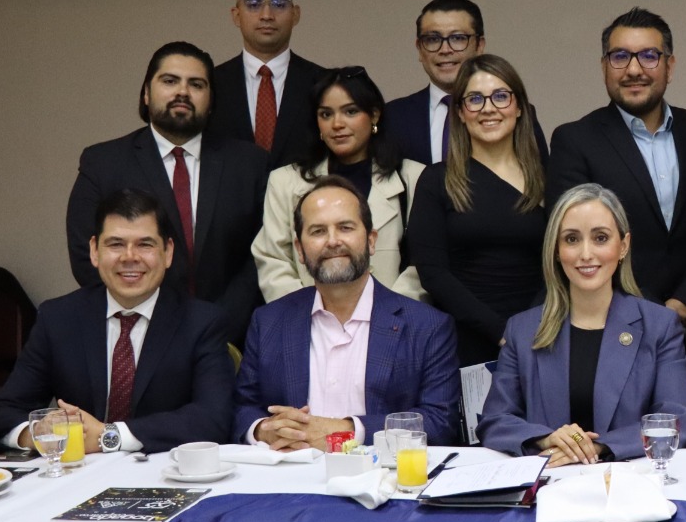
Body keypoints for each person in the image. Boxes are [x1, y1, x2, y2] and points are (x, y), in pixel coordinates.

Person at [547, 7, 686, 441]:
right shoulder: (575, 140)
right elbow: (576, 241)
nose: (634, 69)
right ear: (604, 66)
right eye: (620, 56)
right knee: (607, 457)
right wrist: (650, 313)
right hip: (612, 336)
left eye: (649, 56)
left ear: (670, 65)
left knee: (681, 458)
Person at [0, 189, 234, 453]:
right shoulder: (58, 319)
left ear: (168, 252)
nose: (129, 257)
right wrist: (38, 433)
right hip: (79, 471)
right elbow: (0, 413)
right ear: (94, 251)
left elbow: (213, 419)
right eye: (115, 244)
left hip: (163, 469)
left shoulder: (202, 323)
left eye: (145, 244)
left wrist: (108, 436)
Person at [66, 41, 268, 345]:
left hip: (231, 337)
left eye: (196, 84)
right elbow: (87, 254)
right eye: (170, 81)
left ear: (211, 100)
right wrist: (150, 319)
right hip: (138, 335)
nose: (183, 92)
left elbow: (263, 251)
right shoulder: (103, 163)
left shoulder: (250, 164)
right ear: (146, 93)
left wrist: (220, 323)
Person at [478, 184, 686, 464]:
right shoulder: (522, 329)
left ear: (623, 246)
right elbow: (495, 420)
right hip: (550, 480)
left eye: (600, 238)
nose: (585, 253)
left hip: (628, 480)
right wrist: (546, 438)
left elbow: (678, 418)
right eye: (571, 239)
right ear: (556, 250)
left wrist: (596, 447)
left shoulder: (659, 325)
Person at [233, 177, 460, 447]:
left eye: (345, 227)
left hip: (381, 471)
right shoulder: (268, 321)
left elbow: (439, 422)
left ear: (371, 241)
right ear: (300, 250)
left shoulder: (427, 326)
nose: (333, 241)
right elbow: (242, 409)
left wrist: (346, 431)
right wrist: (266, 430)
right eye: (318, 231)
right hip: (291, 467)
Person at [407, 55, 547, 366]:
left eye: (501, 96)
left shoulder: (548, 178)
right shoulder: (437, 180)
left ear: (519, 107)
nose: (488, 108)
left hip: (542, 334)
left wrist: (532, 328)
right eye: (475, 99)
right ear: (460, 112)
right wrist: (501, 333)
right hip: (466, 339)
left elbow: (559, 263)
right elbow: (433, 273)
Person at [253, 67, 426, 302]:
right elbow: (273, 261)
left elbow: (423, 265)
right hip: (309, 319)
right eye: (326, 114)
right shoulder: (284, 181)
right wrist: (311, 315)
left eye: (350, 111)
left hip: (395, 320)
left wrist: (388, 316)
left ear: (374, 115)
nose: (337, 124)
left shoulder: (413, 177)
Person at [383, 0, 551, 167]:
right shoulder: (393, 117)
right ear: (419, 49)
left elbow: (539, 176)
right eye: (433, 39)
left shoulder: (509, 112)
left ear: (479, 46)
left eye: (458, 38)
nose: (445, 49)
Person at [205, 0, 324, 169]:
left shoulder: (324, 83)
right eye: (253, 4)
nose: (267, 15)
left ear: (295, 14)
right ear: (236, 15)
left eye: (279, 4)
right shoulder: (210, 84)